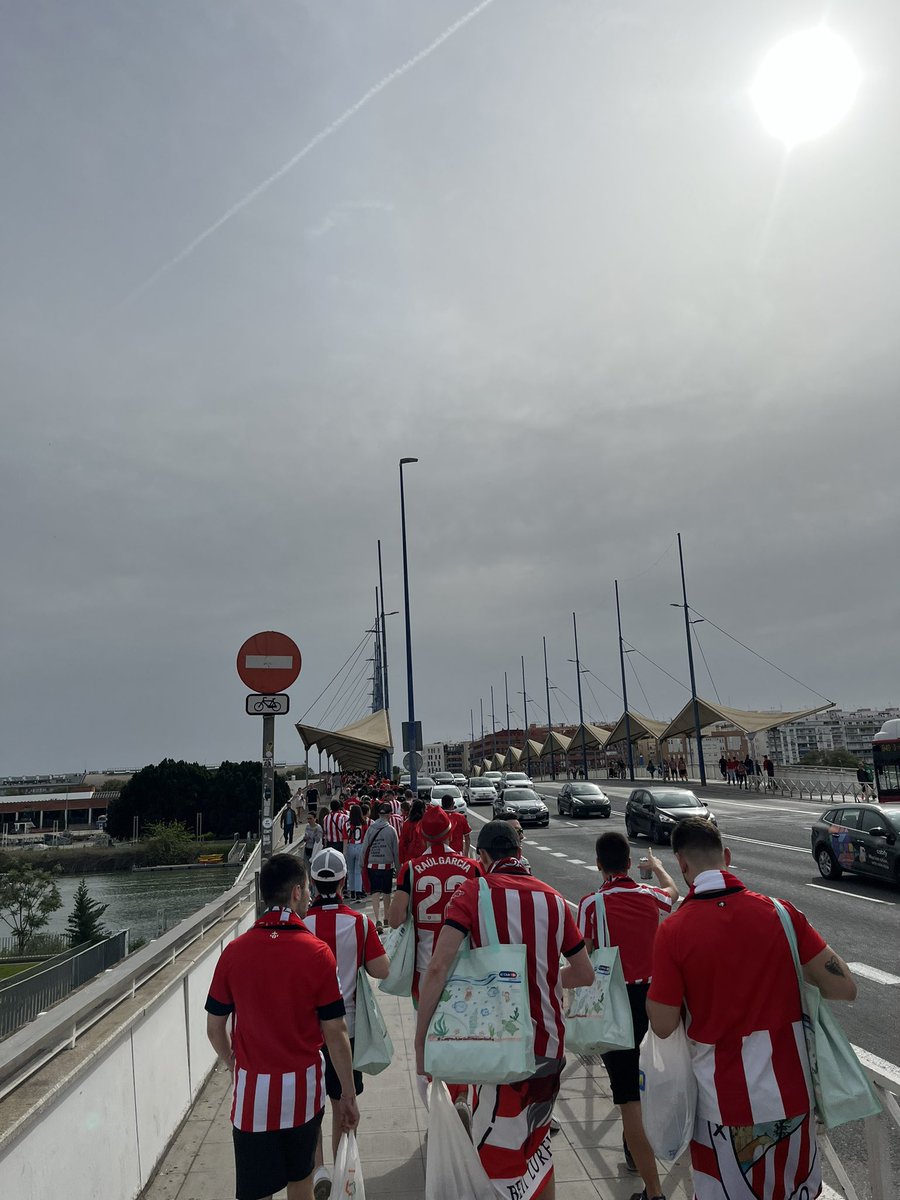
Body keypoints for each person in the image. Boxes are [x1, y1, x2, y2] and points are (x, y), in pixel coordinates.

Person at [647, 818, 857, 1200]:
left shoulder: (674, 931)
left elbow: (662, 1025)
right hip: (792, 1098)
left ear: (681, 864)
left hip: (721, 1108)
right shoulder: (781, 913)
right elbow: (844, 987)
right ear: (726, 856)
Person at [415, 820, 594, 1200]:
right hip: (549, 1046)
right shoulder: (555, 900)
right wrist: (543, 975)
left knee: (496, 1160)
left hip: (500, 1047)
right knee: (537, 1150)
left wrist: (421, 1040)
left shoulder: (473, 893)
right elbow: (584, 973)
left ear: (482, 857)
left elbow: (437, 966)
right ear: (519, 851)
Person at [205, 854, 359, 1200]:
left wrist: (234, 1064)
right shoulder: (317, 953)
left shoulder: (235, 952)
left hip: (252, 1097)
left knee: (255, 1189)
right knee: (300, 1182)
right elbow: (335, 1033)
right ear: (296, 893)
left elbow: (215, 1027)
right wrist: (347, 1095)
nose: (307, 897)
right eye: (305, 891)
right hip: (302, 1094)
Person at [576, 834, 679, 1200]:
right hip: (656, 1001)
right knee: (653, 1078)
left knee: (628, 1097)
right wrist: (659, 868)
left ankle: (652, 1191)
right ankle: (639, 1150)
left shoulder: (592, 904)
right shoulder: (649, 896)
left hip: (616, 1004)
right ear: (630, 860)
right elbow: (673, 893)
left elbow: (584, 957)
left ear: (598, 863)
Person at [303, 849, 389, 1200]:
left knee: (309, 1108)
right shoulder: (359, 922)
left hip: (306, 1033)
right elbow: (381, 970)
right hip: (347, 1029)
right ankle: (340, 1170)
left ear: (310, 883)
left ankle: (319, 1168)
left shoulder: (300, 924)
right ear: (342, 882)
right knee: (343, 1104)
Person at [388, 805, 482, 1002]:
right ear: (450, 832)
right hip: (466, 962)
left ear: (422, 836)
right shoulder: (473, 868)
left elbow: (395, 920)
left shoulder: (410, 869)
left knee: (427, 1025)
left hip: (425, 962)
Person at [360, 801, 399, 933]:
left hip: (373, 864)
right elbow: (396, 852)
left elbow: (364, 848)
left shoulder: (371, 828)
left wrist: (361, 864)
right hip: (387, 865)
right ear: (389, 815)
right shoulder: (391, 830)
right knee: (387, 892)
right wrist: (398, 869)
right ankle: (386, 917)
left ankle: (377, 919)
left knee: (375, 893)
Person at [343, 804, 366, 901]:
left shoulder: (346, 824)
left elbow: (344, 839)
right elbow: (365, 838)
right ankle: (358, 892)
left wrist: (344, 852)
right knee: (358, 871)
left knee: (350, 871)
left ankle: (351, 892)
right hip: (360, 846)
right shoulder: (364, 824)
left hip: (350, 847)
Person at [398, 798, 427, 864]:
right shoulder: (425, 823)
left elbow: (402, 843)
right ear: (423, 810)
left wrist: (402, 860)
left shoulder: (407, 823)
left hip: (409, 858)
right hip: (424, 857)